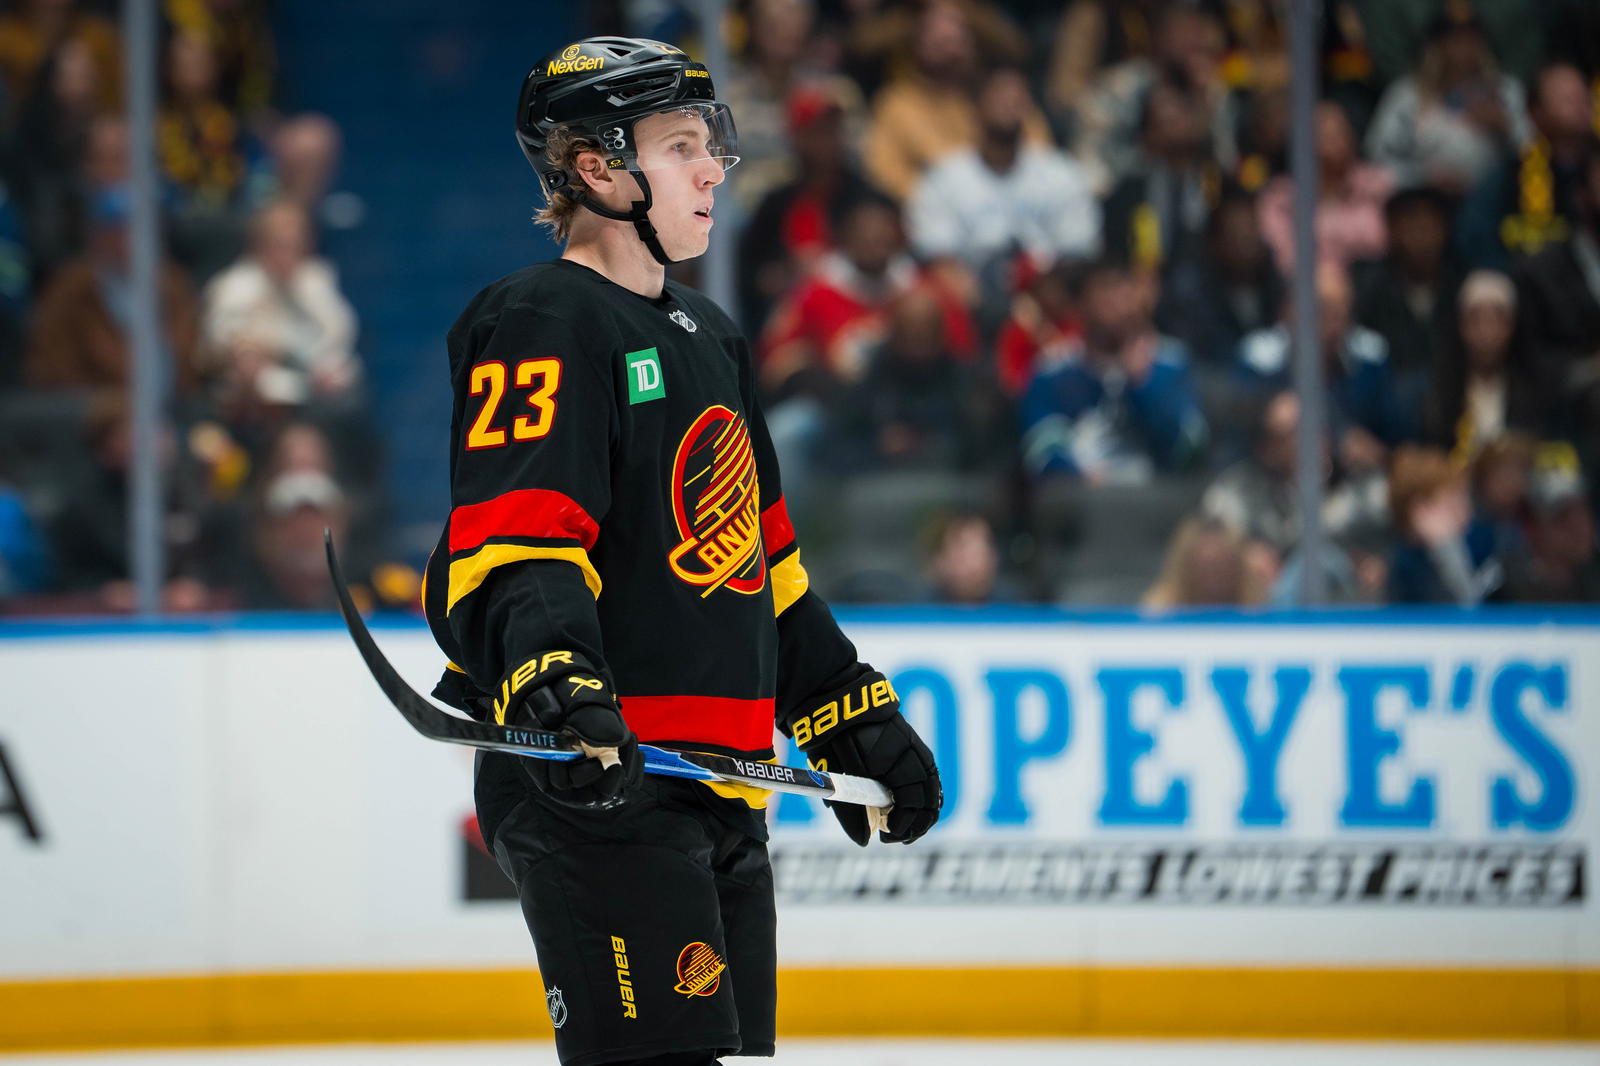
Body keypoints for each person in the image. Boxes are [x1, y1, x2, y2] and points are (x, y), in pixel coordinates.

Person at [420, 38, 941, 1066]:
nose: (712, 170)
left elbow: (762, 568)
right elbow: (516, 537)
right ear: (597, 169)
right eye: (679, 147)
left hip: (721, 784)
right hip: (597, 777)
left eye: (710, 144)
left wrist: (847, 709)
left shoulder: (712, 334)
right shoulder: (544, 317)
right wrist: (554, 677)